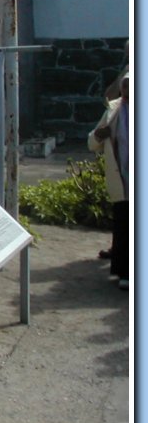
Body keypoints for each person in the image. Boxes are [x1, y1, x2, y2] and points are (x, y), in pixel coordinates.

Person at [88, 72, 130, 290]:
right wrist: (98, 135)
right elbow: (92, 143)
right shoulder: (114, 111)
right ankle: (124, 273)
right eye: (126, 88)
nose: (128, 92)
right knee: (124, 226)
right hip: (122, 177)